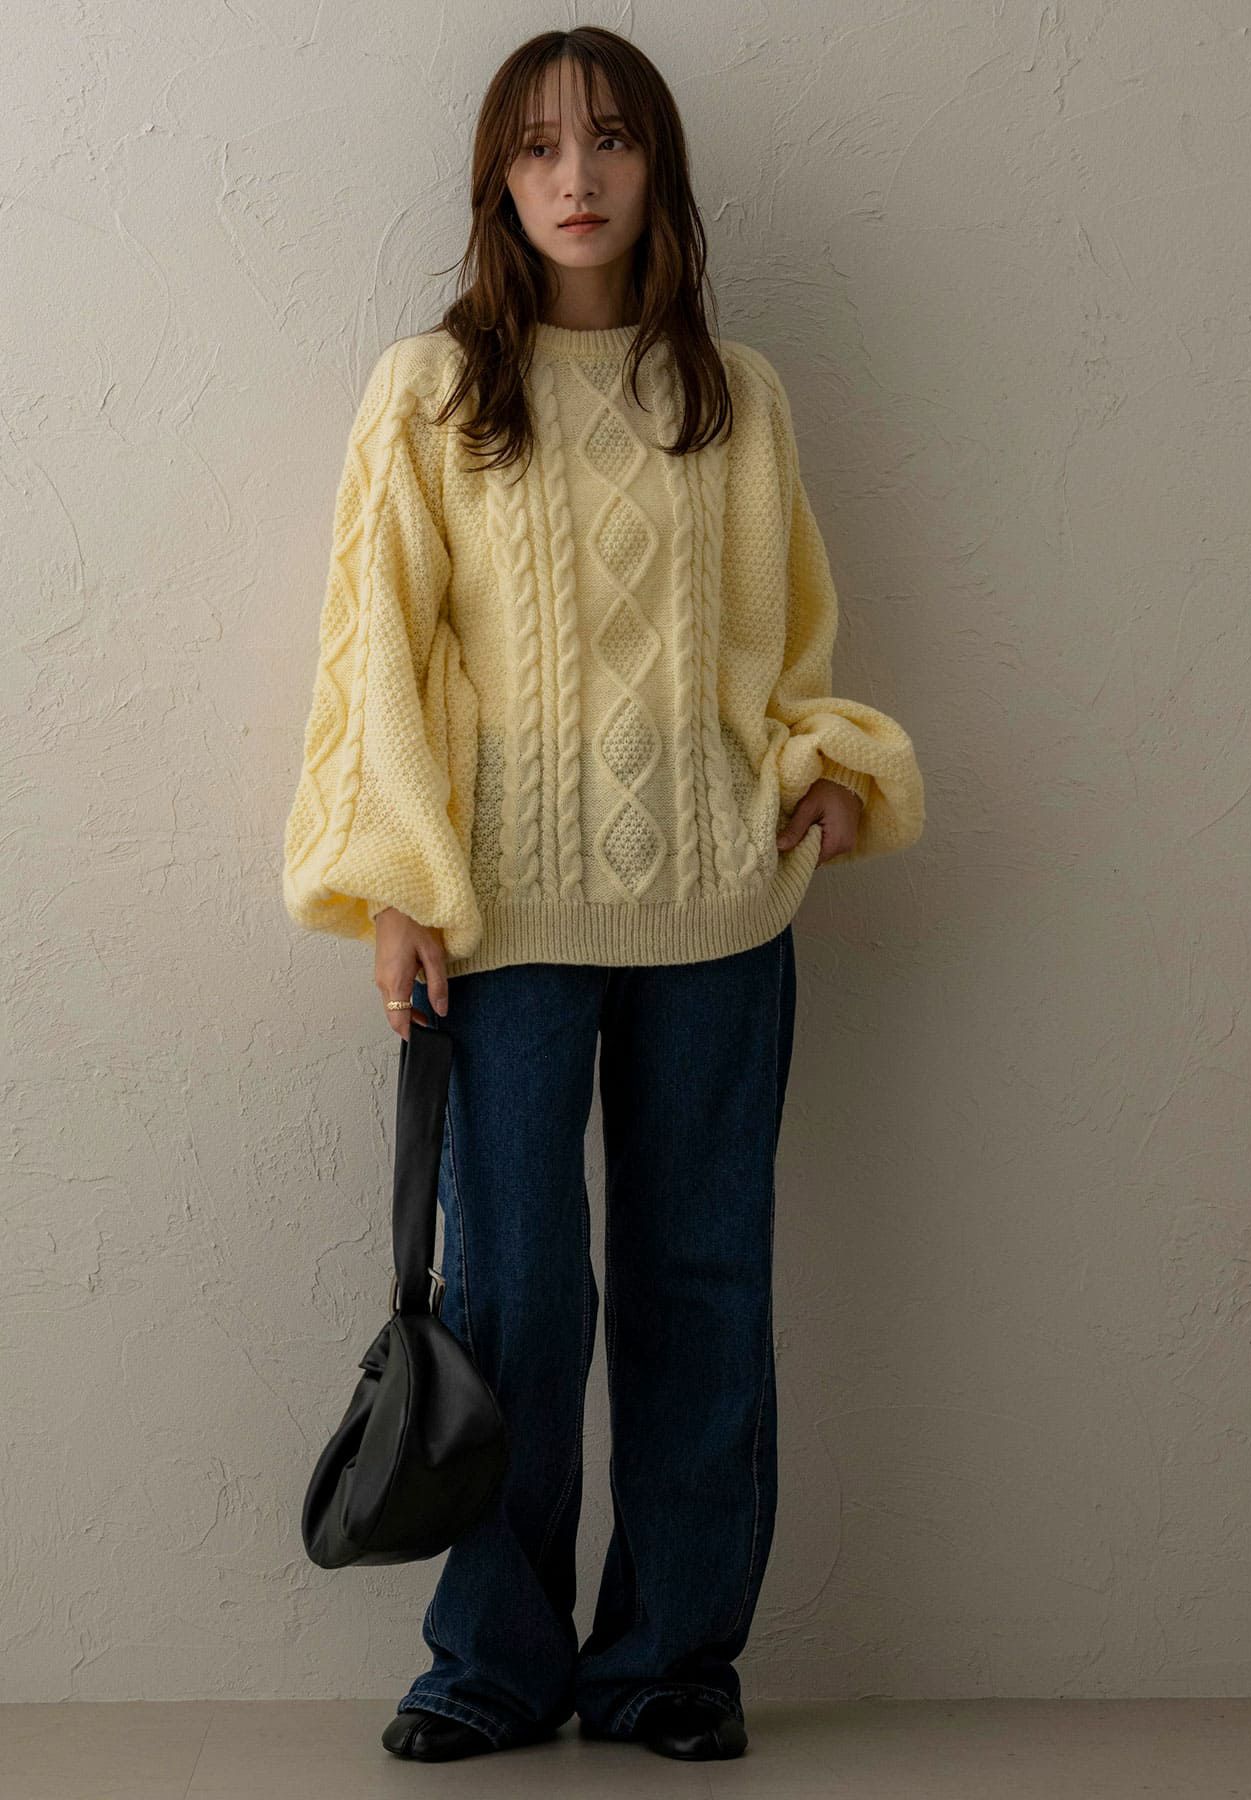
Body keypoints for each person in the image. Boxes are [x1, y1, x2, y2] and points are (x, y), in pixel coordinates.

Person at [281, 25, 924, 1767]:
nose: (579, 178)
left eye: (615, 140)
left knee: (699, 1281)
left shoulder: (739, 394)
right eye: (542, 146)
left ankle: (670, 1661)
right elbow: (375, 657)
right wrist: (394, 887)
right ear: (498, 177)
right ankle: (493, 1664)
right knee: (514, 1298)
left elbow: (781, 640)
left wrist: (816, 767)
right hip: (499, 921)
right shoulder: (431, 390)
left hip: (719, 905)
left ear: (660, 169)